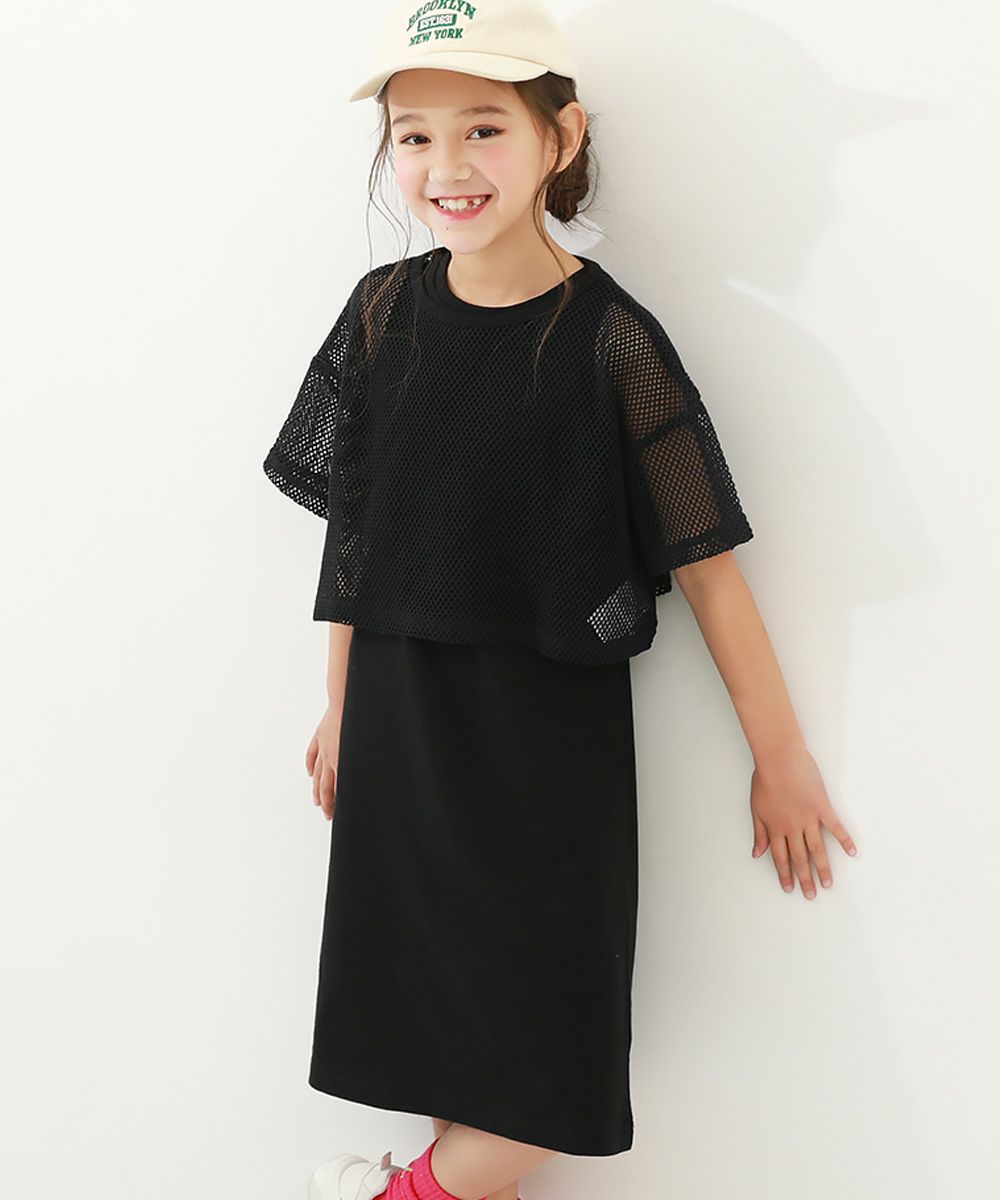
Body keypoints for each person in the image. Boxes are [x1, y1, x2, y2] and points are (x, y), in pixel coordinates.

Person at [262, 2, 858, 1199]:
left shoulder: (611, 341)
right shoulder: (381, 314)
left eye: (482, 128)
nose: (446, 165)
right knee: (444, 1037)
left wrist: (780, 756)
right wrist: (340, 704)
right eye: (414, 136)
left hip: (545, 742)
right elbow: (356, 536)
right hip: (403, 719)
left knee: (549, 1071)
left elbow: (707, 564)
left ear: (561, 136)